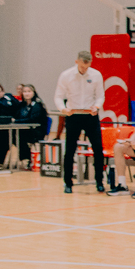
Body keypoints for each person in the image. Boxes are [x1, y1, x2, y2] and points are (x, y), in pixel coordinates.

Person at [55, 50, 106, 194]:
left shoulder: (96, 75)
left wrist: (97, 106)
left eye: (87, 67)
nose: (84, 69)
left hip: (90, 115)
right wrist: (63, 109)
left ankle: (99, 181)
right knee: (70, 150)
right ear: (76, 62)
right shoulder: (66, 75)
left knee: (98, 148)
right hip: (73, 115)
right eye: (82, 66)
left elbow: (100, 96)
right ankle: (68, 183)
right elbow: (58, 96)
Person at [15, 83, 49, 160]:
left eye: (29, 91)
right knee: (12, 136)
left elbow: (33, 119)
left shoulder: (37, 105)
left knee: (20, 137)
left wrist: (17, 121)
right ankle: (24, 158)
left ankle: (26, 159)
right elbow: (17, 116)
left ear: (34, 92)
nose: (27, 94)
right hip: (24, 129)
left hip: (36, 131)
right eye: (25, 92)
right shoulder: (22, 105)